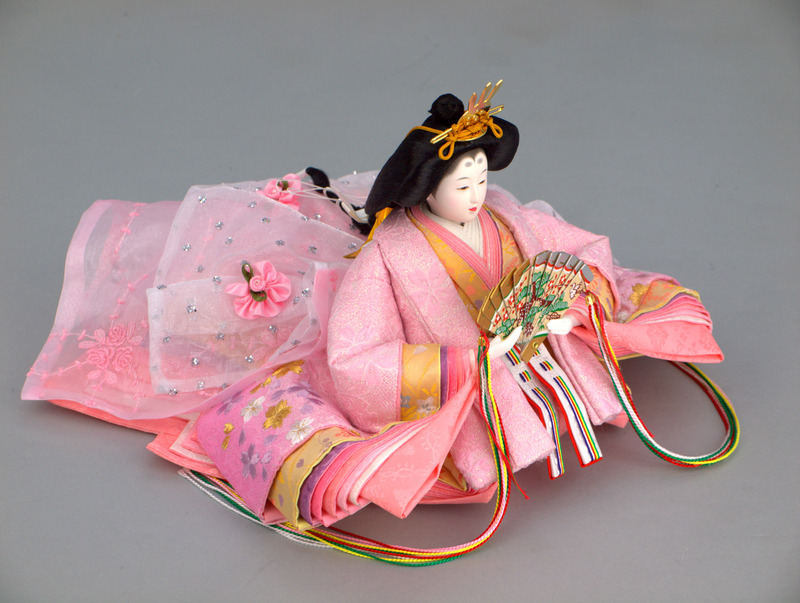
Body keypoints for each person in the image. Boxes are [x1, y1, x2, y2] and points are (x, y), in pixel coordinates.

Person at [23, 82, 724, 529]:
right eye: (463, 183)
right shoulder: (390, 254)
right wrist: (464, 362)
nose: (477, 194)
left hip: (539, 349)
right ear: (426, 188)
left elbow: (579, 250)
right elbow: (357, 357)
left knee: (585, 338)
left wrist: (569, 303)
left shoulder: (507, 217)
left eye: (482, 177)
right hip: (470, 373)